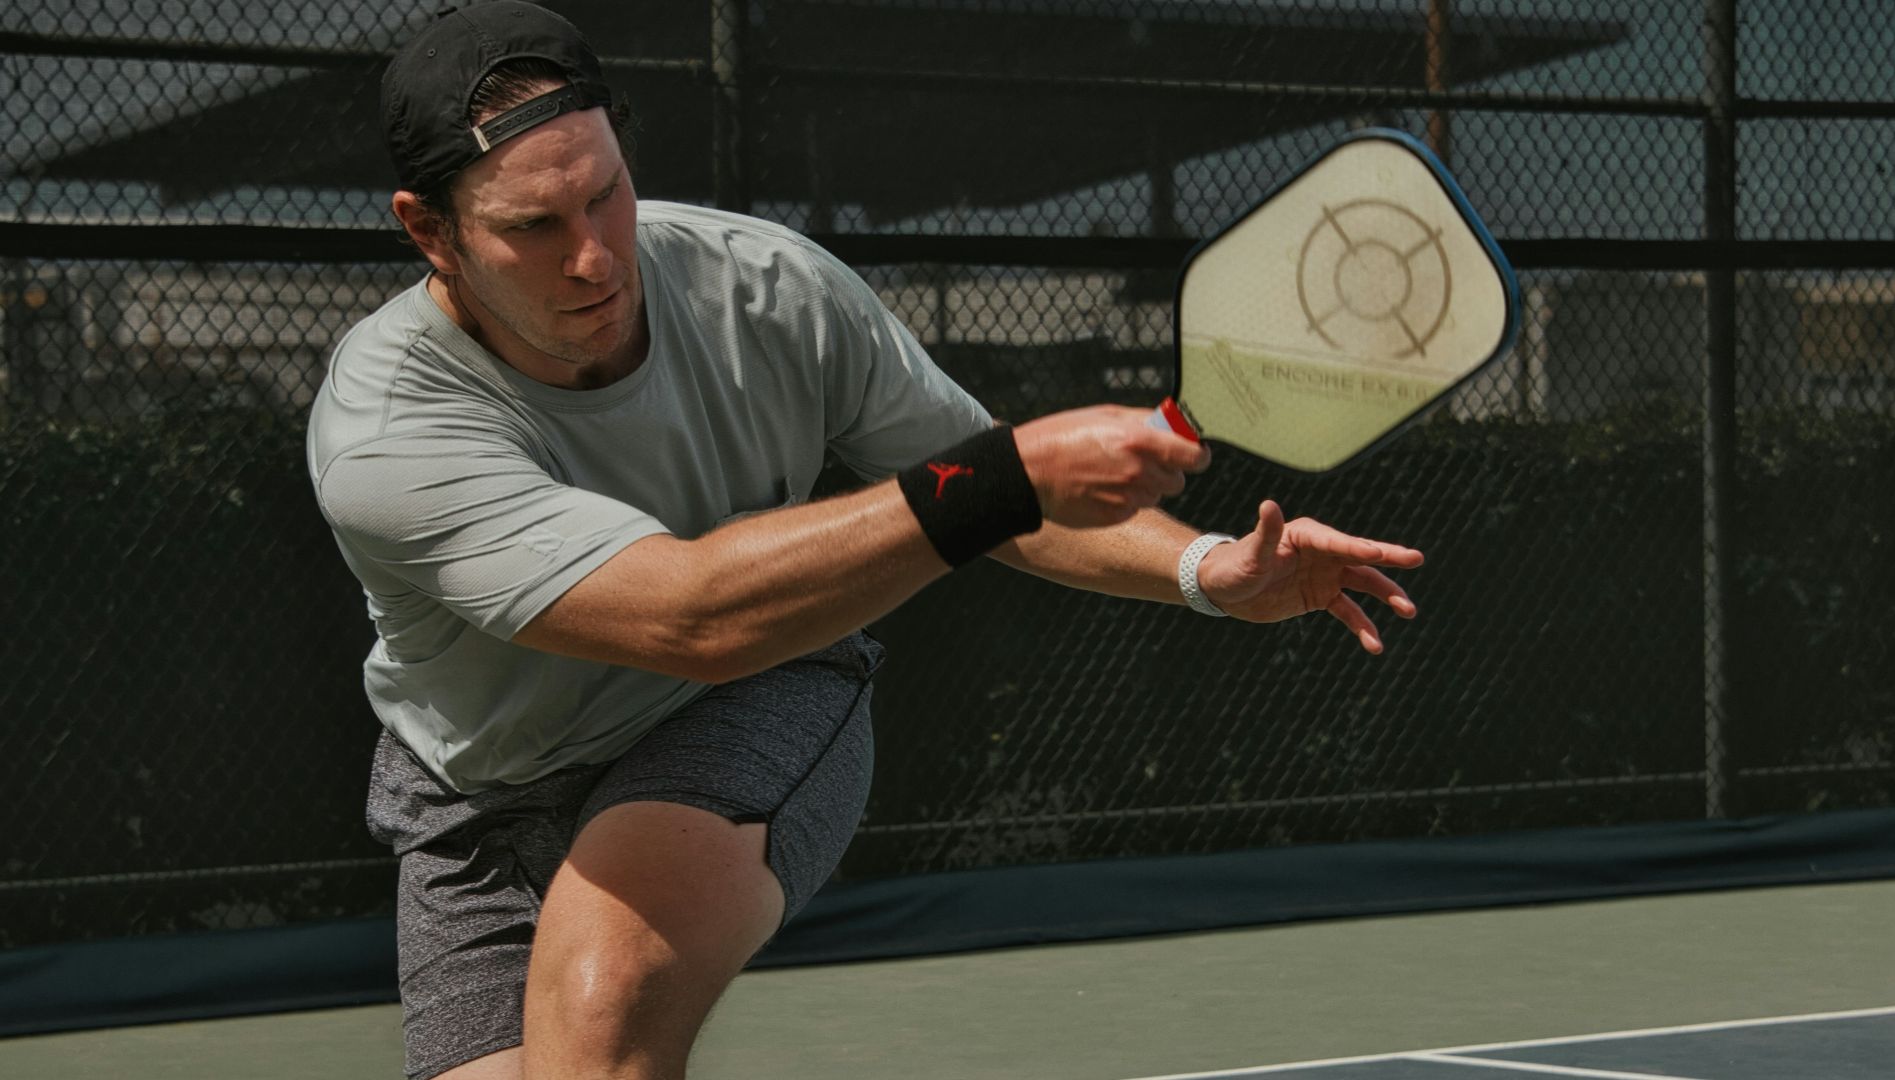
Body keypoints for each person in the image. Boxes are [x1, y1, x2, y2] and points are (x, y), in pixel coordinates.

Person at [307, 4, 1424, 1078]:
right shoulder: (388, 430)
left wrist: (1205, 570)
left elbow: (986, 507)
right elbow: (689, 612)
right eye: (533, 229)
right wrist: (1006, 475)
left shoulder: (771, 293)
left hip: (748, 700)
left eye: (605, 197)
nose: (594, 257)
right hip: (477, 802)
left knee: (597, 1013)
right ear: (429, 231)